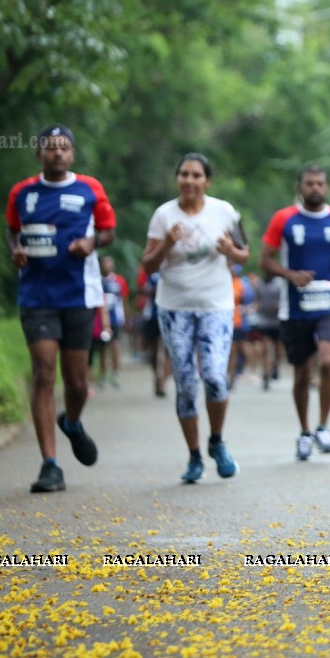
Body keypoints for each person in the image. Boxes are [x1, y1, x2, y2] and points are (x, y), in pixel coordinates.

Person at [5, 124, 116, 493]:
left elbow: (108, 231)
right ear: (39, 153)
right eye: (50, 148)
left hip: (79, 296)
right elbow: (11, 230)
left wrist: (91, 242)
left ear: (72, 154)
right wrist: (15, 250)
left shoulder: (90, 188)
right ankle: (50, 465)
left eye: (64, 148)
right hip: (37, 297)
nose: (57, 153)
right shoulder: (22, 192)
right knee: (42, 373)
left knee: (78, 382)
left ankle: (72, 423)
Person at [142, 153, 249, 483]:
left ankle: (216, 441)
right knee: (186, 383)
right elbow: (147, 266)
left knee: (216, 376)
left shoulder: (225, 212)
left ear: (207, 181)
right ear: (177, 179)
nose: (189, 180)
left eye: (196, 175)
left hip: (216, 305)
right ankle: (194, 457)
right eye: (184, 174)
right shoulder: (164, 215)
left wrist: (232, 253)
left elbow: (245, 252)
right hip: (175, 309)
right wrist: (166, 246)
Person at [260, 164, 330, 461]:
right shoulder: (284, 219)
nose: (315, 188)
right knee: (302, 374)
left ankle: (323, 427)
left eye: (320, 183)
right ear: (299, 188)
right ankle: (304, 432)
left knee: (328, 362)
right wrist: (290, 275)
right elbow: (265, 260)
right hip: (296, 308)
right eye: (309, 183)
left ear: (326, 187)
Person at [136, 266, 171, 397]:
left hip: (170, 315)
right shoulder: (148, 270)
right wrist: (151, 290)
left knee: (170, 351)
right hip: (152, 316)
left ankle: (163, 382)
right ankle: (157, 376)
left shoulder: (173, 266)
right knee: (153, 351)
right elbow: (140, 288)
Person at [99, 255, 129, 388]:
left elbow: (125, 300)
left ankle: (116, 374)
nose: (107, 265)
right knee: (102, 347)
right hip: (100, 320)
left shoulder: (119, 281)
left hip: (116, 318)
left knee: (115, 345)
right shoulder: (97, 281)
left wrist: (128, 319)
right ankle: (103, 374)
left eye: (109, 263)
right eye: (105, 263)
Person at [250, 272, 283, 390]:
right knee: (264, 348)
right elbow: (256, 300)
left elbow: (284, 300)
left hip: (277, 321)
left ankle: (275, 366)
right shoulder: (259, 284)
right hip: (264, 320)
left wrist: (279, 306)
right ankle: (265, 375)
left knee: (278, 348)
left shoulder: (279, 283)